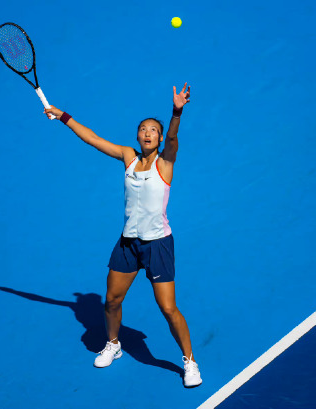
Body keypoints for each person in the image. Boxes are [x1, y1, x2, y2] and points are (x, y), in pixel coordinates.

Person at [44, 83, 201, 388]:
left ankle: (190, 361)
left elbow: (173, 138)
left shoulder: (165, 162)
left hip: (157, 245)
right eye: (143, 129)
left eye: (153, 130)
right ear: (137, 136)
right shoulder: (128, 157)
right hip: (128, 243)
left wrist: (176, 112)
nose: (147, 133)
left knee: (168, 308)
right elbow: (93, 139)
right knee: (112, 301)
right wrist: (63, 116)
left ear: (159, 138)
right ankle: (113, 344)